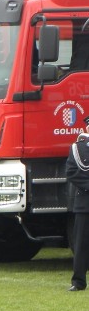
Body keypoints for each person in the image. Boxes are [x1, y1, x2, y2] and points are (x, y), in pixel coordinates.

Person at [65, 116, 89, 290]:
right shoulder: (77, 148)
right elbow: (72, 172)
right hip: (85, 202)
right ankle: (78, 281)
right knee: (81, 243)